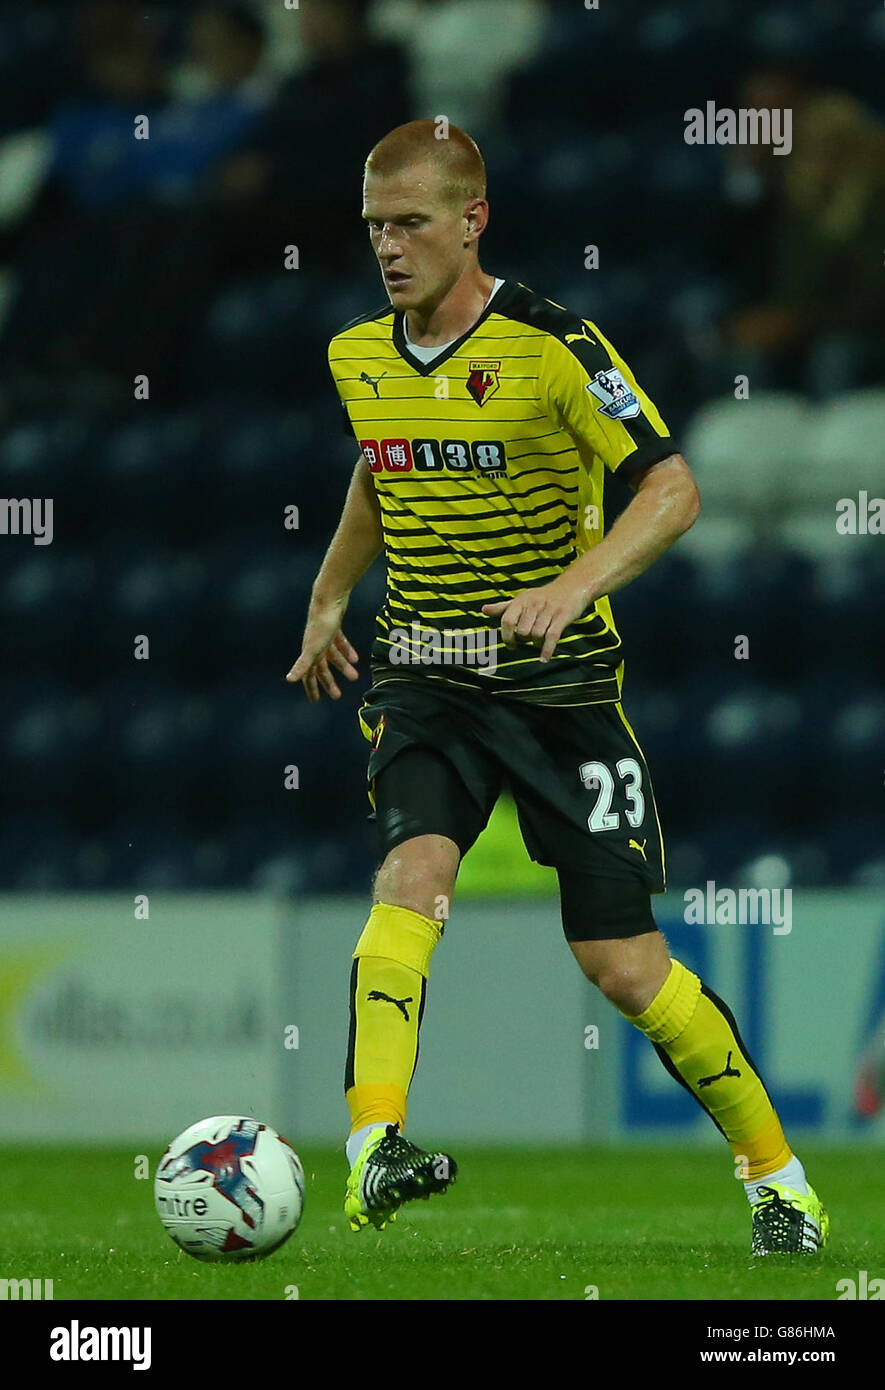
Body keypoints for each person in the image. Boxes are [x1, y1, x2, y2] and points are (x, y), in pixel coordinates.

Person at [287, 119, 828, 1255]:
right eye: (375, 228)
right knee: (410, 874)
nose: (388, 249)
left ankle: (779, 1178)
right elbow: (383, 469)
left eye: (412, 225)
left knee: (624, 966)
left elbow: (672, 489)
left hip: (558, 686)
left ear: (472, 220)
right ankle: (373, 1141)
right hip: (426, 672)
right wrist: (332, 596)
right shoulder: (357, 354)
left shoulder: (557, 346)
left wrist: (576, 584)